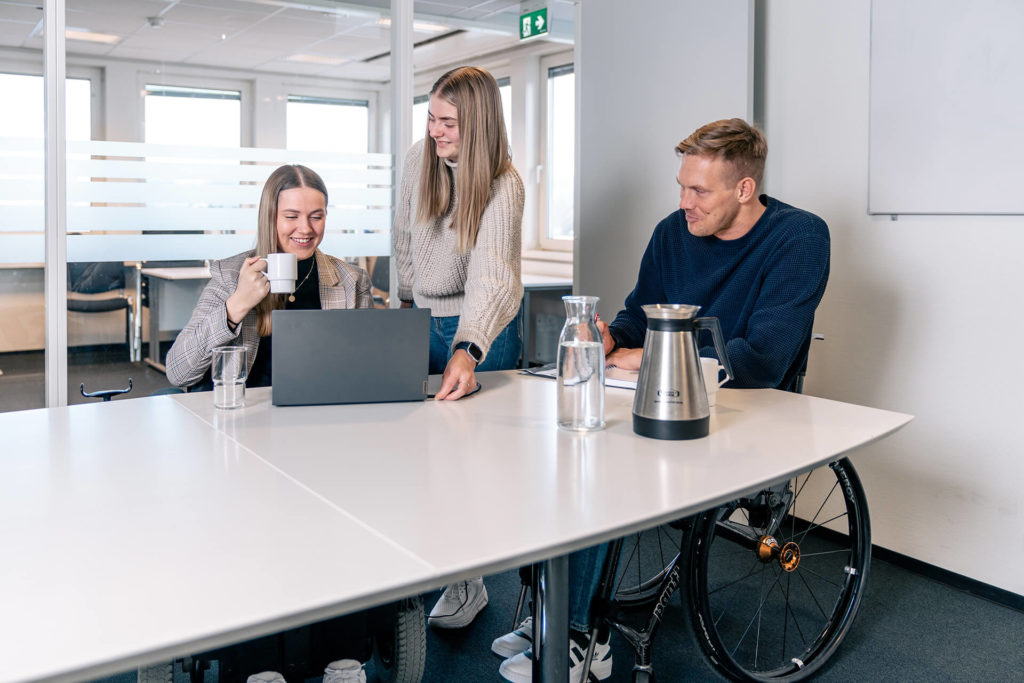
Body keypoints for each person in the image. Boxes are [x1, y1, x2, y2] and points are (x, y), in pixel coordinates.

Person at [493, 118, 831, 682]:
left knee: (605, 463)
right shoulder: (673, 232)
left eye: (698, 191)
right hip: (661, 398)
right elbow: (636, 314)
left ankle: (581, 639)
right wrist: (613, 340)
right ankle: (552, 613)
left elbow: (761, 359)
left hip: (748, 413)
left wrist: (648, 354)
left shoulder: (799, 237)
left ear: (744, 190)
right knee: (564, 441)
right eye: (681, 186)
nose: (684, 203)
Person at [392, 66, 525, 629]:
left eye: (448, 123)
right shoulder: (415, 162)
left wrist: (468, 348)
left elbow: (492, 277)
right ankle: (446, 569)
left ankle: (471, 583)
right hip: (423, 320)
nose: (435, 132)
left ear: (478, 125)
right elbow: (403, 242)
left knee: (474, 464)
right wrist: (399, 314)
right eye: (431, 118)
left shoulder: (503, 182)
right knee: (423, 458)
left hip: (484, 328)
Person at [166, 164, 372, 390]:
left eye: (316, 217)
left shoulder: (351, 281)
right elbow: (178, 372)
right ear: (270, 217)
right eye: (291, 216)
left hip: (316, 409)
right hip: (244, 413)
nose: (305, 228)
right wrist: (236, 305)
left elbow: (368, 366)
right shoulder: (231, 275)